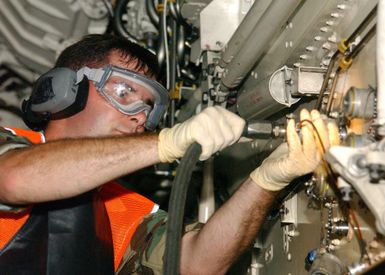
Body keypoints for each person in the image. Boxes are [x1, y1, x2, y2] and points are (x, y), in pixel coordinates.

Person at [0, 34, 336, 275]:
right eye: (125, 91)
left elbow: (195, 263)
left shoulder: (124, 209)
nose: (140, 117)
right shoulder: (9, 145)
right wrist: (166, 143)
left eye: (149, 107)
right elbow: (14, 179)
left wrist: (267, 179)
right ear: (62, 91)